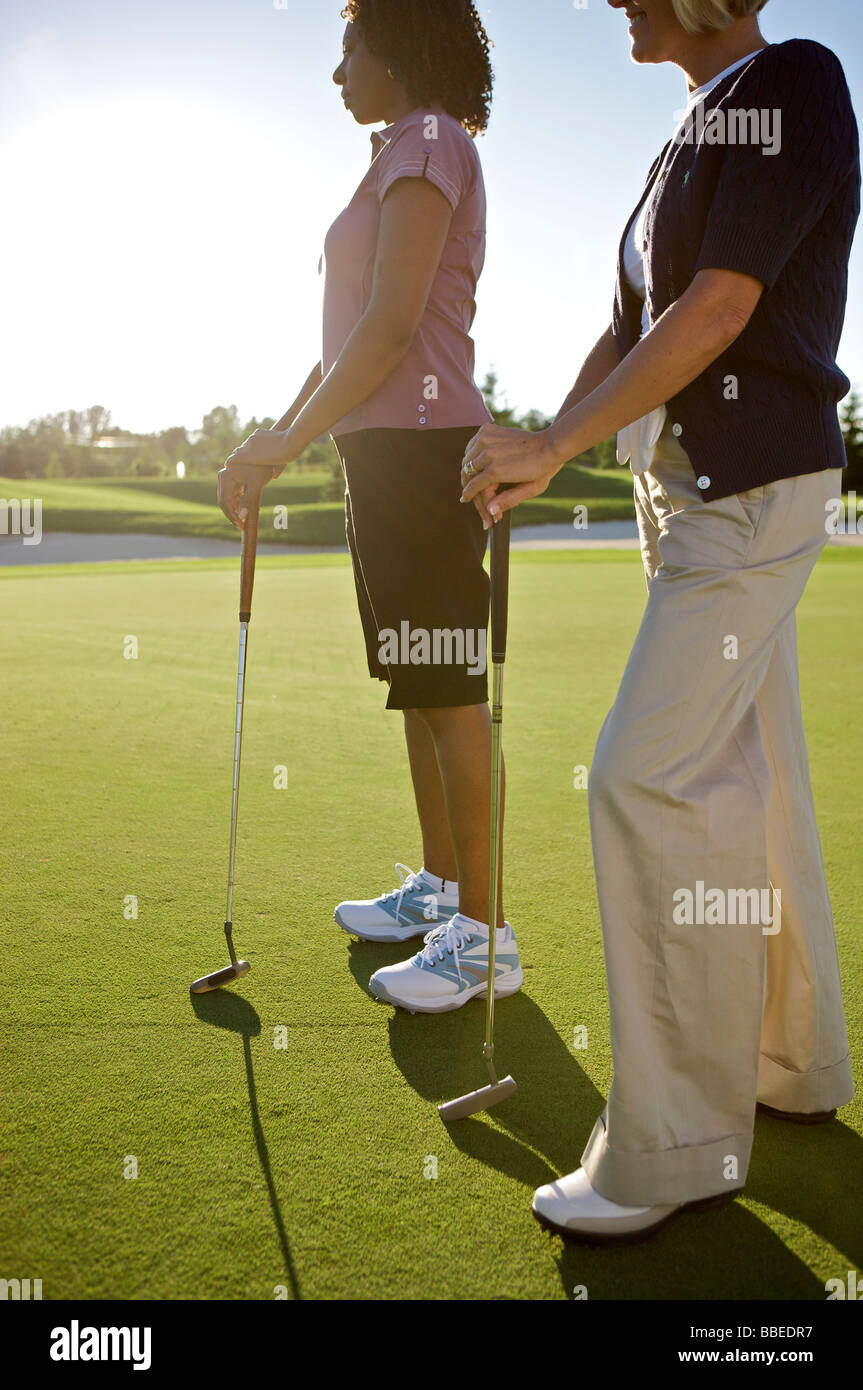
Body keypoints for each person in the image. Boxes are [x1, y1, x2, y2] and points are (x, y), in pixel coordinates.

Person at [460, 0, 859, 1242]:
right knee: (750, 770)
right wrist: (543, 451)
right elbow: (635, 324)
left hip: (747, 492)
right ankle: (791, 1062)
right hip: (683, 496)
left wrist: (552, 437)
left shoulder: (791, 78)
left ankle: (676, 1145)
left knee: (639, 778)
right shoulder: (682, 133)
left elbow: (721, 308)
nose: (612, 1)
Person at [218, 1, 523, 1014]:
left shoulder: (430, 142)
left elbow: (392, 330)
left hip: (426, 450)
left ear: (397, 46)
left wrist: (286, 442)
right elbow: (345, 341)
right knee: (414, 682)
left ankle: (483, 933)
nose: (338, 70)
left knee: (446, 684)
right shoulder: (395, 152)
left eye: (349, 48)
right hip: (381, 454)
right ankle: (441, 890)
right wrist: (277, 439)